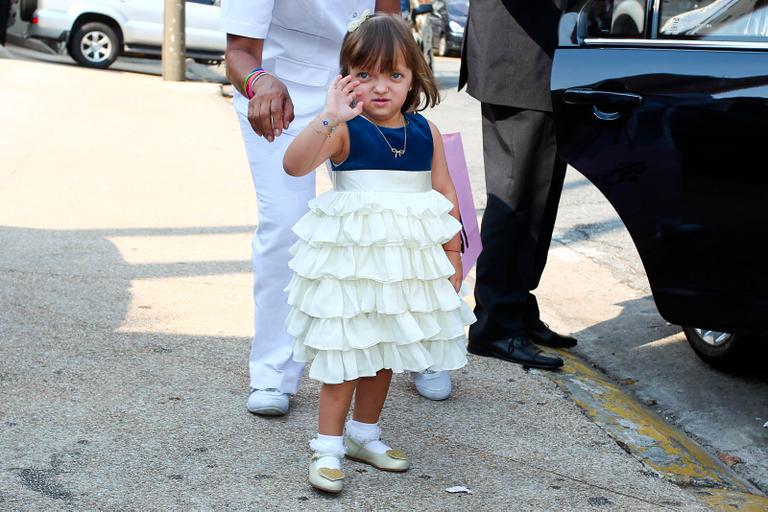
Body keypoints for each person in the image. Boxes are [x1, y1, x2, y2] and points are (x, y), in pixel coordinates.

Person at [221, 0, 455, 418]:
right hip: (280, 88)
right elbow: (239, 50)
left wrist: (390, 78)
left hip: (368, 77)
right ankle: (275, 369)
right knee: (286, 225)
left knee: (404, 216)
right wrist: (261, 83)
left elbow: (389, 20)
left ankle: (421, 348)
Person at [282, 13, 475, 493]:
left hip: (404, 268)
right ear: (346, 78)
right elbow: (294, 164)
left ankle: (364, 434)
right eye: (365, 74)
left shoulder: (424, 131)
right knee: (346, 354)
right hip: (352, 269)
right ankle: (327, 448)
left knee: (387, 350)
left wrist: (452, 253)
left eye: (395, 74)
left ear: (414, 79)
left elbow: (446, 191)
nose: (381, 87)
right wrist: (330, 115)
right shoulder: (345, 129)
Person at [459, 0, 577, 370]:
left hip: (543, 60)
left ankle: (517, 310)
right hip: (519, 56)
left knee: (538, 198)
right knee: (512, 197)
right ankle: (494, 326)